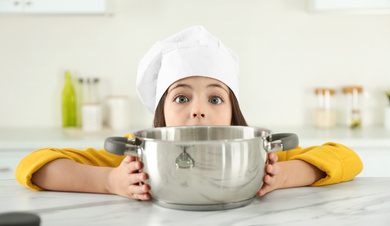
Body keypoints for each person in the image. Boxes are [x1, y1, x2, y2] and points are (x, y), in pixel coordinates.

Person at [15, 26, 363, 201]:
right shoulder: (136, 157)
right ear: (160, 113)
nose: (198, 111)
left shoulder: (260, 156)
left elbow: (347, 158)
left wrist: (282, 176)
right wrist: (109, 181)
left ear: (233, 113)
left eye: (215, 99)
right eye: (181, 98)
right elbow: (34, 165)